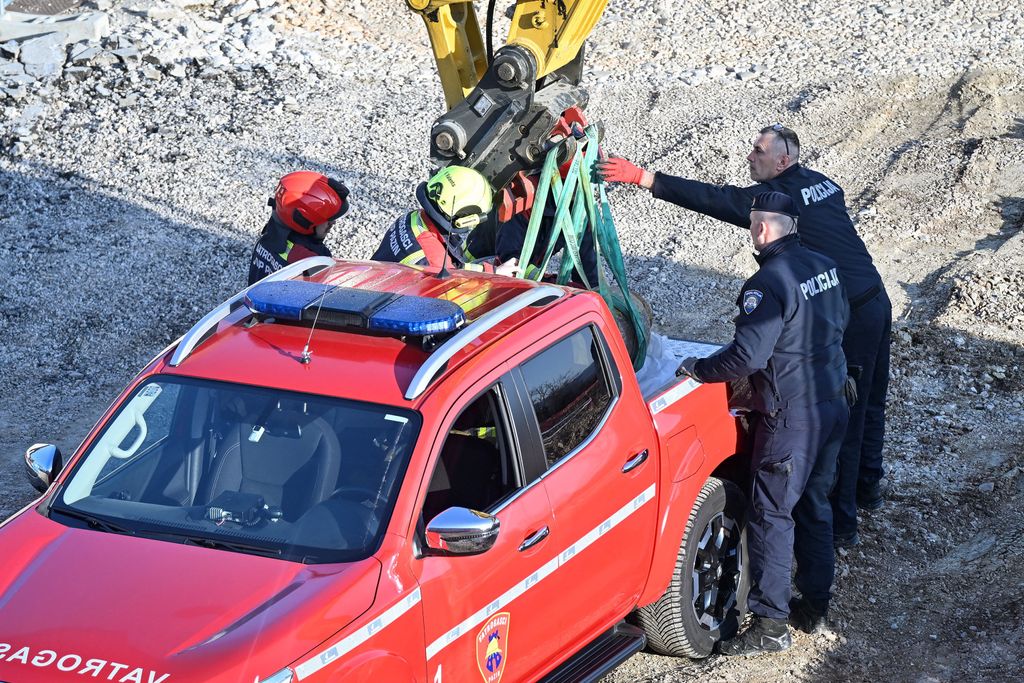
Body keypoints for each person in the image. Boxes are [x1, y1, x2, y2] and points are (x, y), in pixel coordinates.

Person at [597, 124, 890, 546]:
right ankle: (868, 488)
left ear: (783, 161)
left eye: (758, 152)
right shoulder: (824, 184)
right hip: (875, 299)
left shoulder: (781, 203)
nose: (749, 157)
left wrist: (644, 178)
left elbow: (718, 200)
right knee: (873, 400)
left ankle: (842, 525)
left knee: (850, 413)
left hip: (855, 316)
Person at [675, 191, 850, 655]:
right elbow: (841, 320)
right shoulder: (824, 265)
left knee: (772, 513)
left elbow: (747, 356)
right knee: (814, 503)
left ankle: (771, 626)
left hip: (793, 418)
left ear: (762, 228)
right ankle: (814, 605)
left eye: (753, 223)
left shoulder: (766, 283)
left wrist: (698, 367)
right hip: (833, 404)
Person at [372, 165, 519, 275]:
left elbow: (454, 267)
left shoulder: (413, 218)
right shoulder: (434, 260)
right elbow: (452, 289)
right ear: (463, 219)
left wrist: (493, 270)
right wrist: (495, 276)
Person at [248, 171, 349, 285]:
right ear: (304, 220)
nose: (333, 223)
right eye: (328, 220)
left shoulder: (270, 234)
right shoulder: (312, 261)